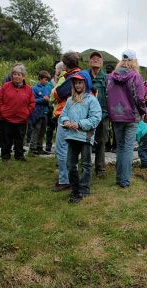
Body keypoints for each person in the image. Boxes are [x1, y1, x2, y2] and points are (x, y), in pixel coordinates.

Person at [59, 71, 101, 203]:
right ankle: (75, 188)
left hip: (85, 137)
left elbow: (96, 118)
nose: (77, 85)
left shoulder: (92, 100)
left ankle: (83, 190)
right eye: (75, 83)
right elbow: (63, 114)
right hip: (71, 136)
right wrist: (65, 121)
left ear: (86, 83)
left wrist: (79, 124)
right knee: (70, 165)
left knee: (86, 164)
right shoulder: (70, 100)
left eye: (80, 82)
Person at [107, 49, 145, 188]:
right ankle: (125, 180)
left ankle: (119, 178)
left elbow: (107, 95)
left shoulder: (111, 76)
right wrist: (142, 111)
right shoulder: (135, 76)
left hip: (116, 115)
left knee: (120, 147)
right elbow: (140, 98)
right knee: (128, 148)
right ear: (134, 61)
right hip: (131, 116)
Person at [51, 51, 82, 192]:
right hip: (76, 115)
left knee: (62, 148)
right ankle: (71, 177)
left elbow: (57, 93)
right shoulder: (81, 75)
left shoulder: (72, 77)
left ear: (65, 64)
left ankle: (65, 180)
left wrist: (56, 90)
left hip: (66, 116)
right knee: (71, 149)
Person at [0, 64, 35, 161]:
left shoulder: (28, 89)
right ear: (12, 75)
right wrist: (2, 111)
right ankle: (5, 155)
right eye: (14, 74)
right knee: (6, 139)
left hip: (21, 119)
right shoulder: (5, 86)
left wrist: (27, 112)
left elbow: (32, 102)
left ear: (23, 76)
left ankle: (19, 155)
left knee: (19, 139)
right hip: (6, 118)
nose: (16, 76)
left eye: (19, 74)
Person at [88, 51, 109, 178]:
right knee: (86, 141)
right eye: (93, 58)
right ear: (89, 62)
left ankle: (100, 169)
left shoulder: (107, 78)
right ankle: (86, 167)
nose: (95, 60)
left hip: (103, 115)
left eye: (98, 58)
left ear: (102, 63)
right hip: (87, 116)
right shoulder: (85, 76)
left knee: (101, 141)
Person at [29, 70, 52, 155]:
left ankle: (40, 147)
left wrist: (49, 100)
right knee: (36, 130)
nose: (46, 81)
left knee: (43, 131)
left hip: (45, 112)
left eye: (47, 80)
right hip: (37, 112)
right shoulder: (34, 88)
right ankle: (32, 148)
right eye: (45, 79)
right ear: (40, 79)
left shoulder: (47, 88)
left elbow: (49, 99)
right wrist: (43, 99)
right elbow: (32, 101)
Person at [45, 61, 64, 152]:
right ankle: (48, 145)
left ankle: (58, 147)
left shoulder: (63, 80)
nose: (55, 70)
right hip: (50, 109)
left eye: (56, 69)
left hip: (58, 109)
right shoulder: (50, 82)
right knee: (50, 128)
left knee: (58, 129)